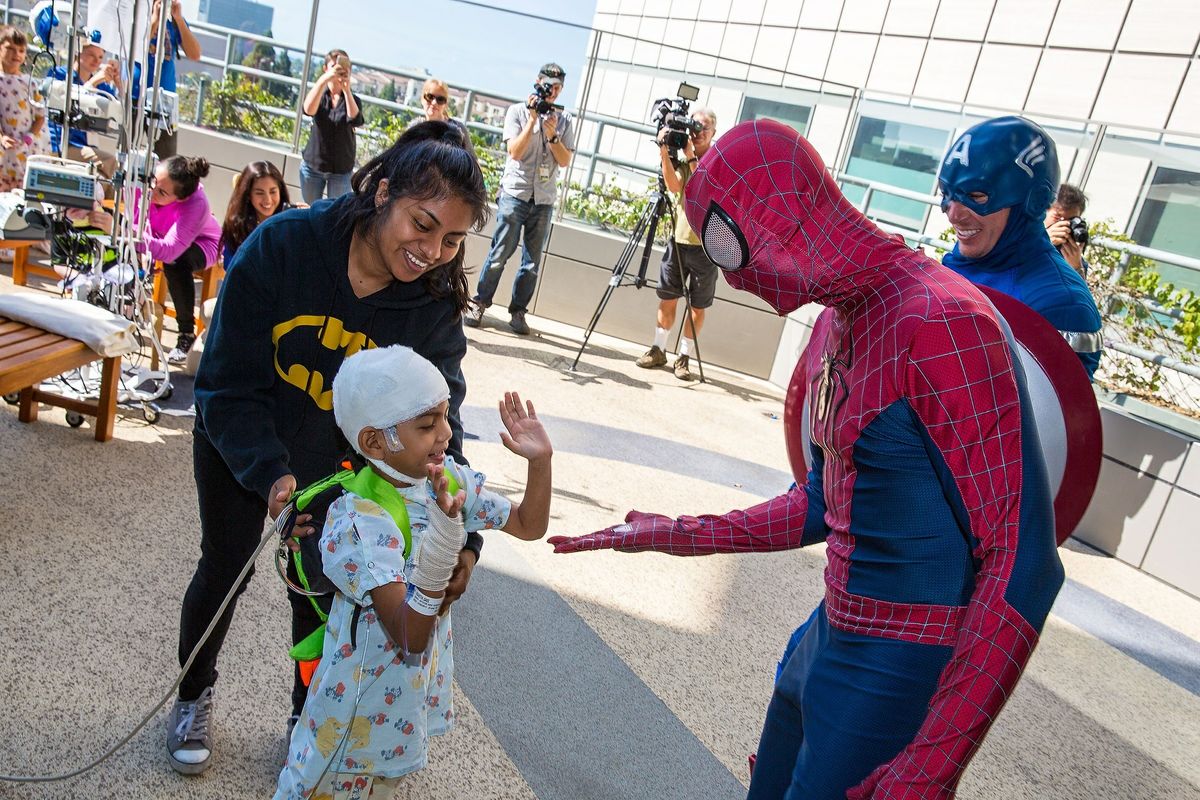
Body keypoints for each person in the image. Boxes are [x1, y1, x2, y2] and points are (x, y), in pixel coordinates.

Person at [549, 119, 1065, 798]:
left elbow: (1023, 564)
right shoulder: (836, 318)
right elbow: (822, 503)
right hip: (829, 636)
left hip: (899, 660)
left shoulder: (943, 322)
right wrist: (671, 533)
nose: (733, 280)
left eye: (732, 247)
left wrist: (932, 765)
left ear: (785, 218)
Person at [167, 121, 488, 776]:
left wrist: (465, 535)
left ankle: (306, 713)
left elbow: (436, 427)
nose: (432, 251)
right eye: (422, 225)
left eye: (452, 239)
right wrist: (272, 477)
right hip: (243, 439)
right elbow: (225, 386)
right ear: (381, 193)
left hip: (340, 467)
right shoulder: (284, 245)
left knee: (320, 591)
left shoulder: (430, 307)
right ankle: (193, 693)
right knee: (224, 568)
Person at [274, 345, 552, 799]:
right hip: (355, 706)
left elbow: (528, 524)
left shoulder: (448, 478)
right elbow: (408, 632)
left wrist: (540, 463)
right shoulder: (358, 521)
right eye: (427, 424)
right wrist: (444, 550)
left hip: (405, 695)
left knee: (385, 786)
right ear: (374, 442)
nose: (446, 432)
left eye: (444, 415)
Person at [939, 116, 1103, 380]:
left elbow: (1045, 419)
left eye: (976, 196)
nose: (953, 214)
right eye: (946, 194)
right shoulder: (965, 261)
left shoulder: (1062, 305)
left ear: (1034, 202)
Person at [464, 62, 575, 335]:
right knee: (500, 252)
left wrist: (552, 135)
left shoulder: (565, 120)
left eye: (559, 88)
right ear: (538, 82)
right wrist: (534, 121)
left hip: (544, 199)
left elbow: (564, 160)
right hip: (516, 193)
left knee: (532, 263)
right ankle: (480, 302)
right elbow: (514, 151)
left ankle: (518, 312)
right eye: (550, 86)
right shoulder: (517, 112)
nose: (554, 93)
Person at [634, 108, 719, 381]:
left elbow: (706, 187)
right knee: (668, 297)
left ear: (714, 132)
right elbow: (673, 186)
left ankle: (684, 356)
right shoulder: (684, 159)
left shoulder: (718, 160)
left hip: (707, 245)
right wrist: (664, 153)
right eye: (695, 126)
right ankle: (658, 348)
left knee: (697, 305)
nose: (698, 131)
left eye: (705, 127)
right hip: (680, 239)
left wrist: (692, 156)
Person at [138, 155, 222, 364]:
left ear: (180, 198)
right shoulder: (143, 181)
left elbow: (169, 251)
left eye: (162, 192)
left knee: (175, 263)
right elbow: (135, 223)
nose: (152, 192)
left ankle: (186, 333)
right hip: (157, 236)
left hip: (204, 244)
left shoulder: (196, 204)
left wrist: (134, 240)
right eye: (153, 183)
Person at [45, 40, 120, 195]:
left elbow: (119, 111)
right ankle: (108, 206)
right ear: (78, 52)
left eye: (100, 57)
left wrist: (119, 83)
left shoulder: (102, 87)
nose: (96, 61)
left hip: (86, 145)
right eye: (91, 55)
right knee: (110, 162)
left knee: (99, 178)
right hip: (62, 143)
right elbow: (67, 102)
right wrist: (92, 83)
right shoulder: (59, 74)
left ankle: (105, 208)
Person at [132, 0, 201, 159]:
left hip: (165, 99)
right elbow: (136, 47)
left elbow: (195, 53)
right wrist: (155, 21)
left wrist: (179, 20)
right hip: (136, 94)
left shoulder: (174, 22)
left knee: (166, 158)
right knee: (128, 148)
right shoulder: (138, 15)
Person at [300, 49, 364, 204]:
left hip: (341, 169)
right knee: (309, 209)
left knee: (335, 213)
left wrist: (346, 90)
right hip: (314, 164)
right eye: (334, 66)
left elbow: (355, 119)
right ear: (325, 69)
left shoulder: (353, 99)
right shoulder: (319, 96)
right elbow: (308, 109)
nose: (339, 70)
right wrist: (324, 80)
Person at [0, 26, 49, 194]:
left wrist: (28, 138)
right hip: (4, 149)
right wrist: (2, 137)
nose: (16, 54)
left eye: (21, 50)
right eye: (10, 49)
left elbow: (40, 116)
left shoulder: (29, 83)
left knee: (24, 191)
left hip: (26, 147)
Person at [220, 160, 295, 266]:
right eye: (259, 193)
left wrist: (308, 221)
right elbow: (231, 266)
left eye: (273, 192)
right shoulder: (237, 226)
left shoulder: (290, 222)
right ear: (248, 194)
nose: (268, 200)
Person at [1045, 182, 1089, 277]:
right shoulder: (1021, 236)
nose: (1063, 225)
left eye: (1071, 221)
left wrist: (1076, 268)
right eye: (1057, 217)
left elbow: (1078, 291)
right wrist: (1043, 242)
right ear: (1045, 211)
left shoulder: (1072, 255)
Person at [409, 77, 468, 143]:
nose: (434, 103)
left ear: (445, 104)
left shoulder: (458, 131)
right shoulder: (414, 128)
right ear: (422, 99)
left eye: (440, 99)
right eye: (430, 97)